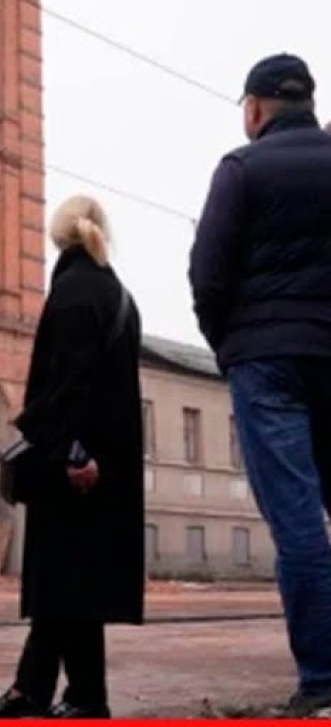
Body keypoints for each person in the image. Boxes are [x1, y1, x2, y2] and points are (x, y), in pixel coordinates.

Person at [189, 54, 331, 714]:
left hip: (267, 361)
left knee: (298, 522)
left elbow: (207, 272)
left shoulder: (241, 169)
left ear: (253, 109)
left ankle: (322, 680)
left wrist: (231, 346)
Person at [0, 196, 143, 720]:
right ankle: (44, 691)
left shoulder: (73, 293)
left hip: (75, 465)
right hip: (105, 466)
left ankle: (77, 698)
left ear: (57, 236)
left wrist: (73, 454)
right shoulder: (117, 294)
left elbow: (69, 387)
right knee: (71, 586)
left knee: (66, 583)